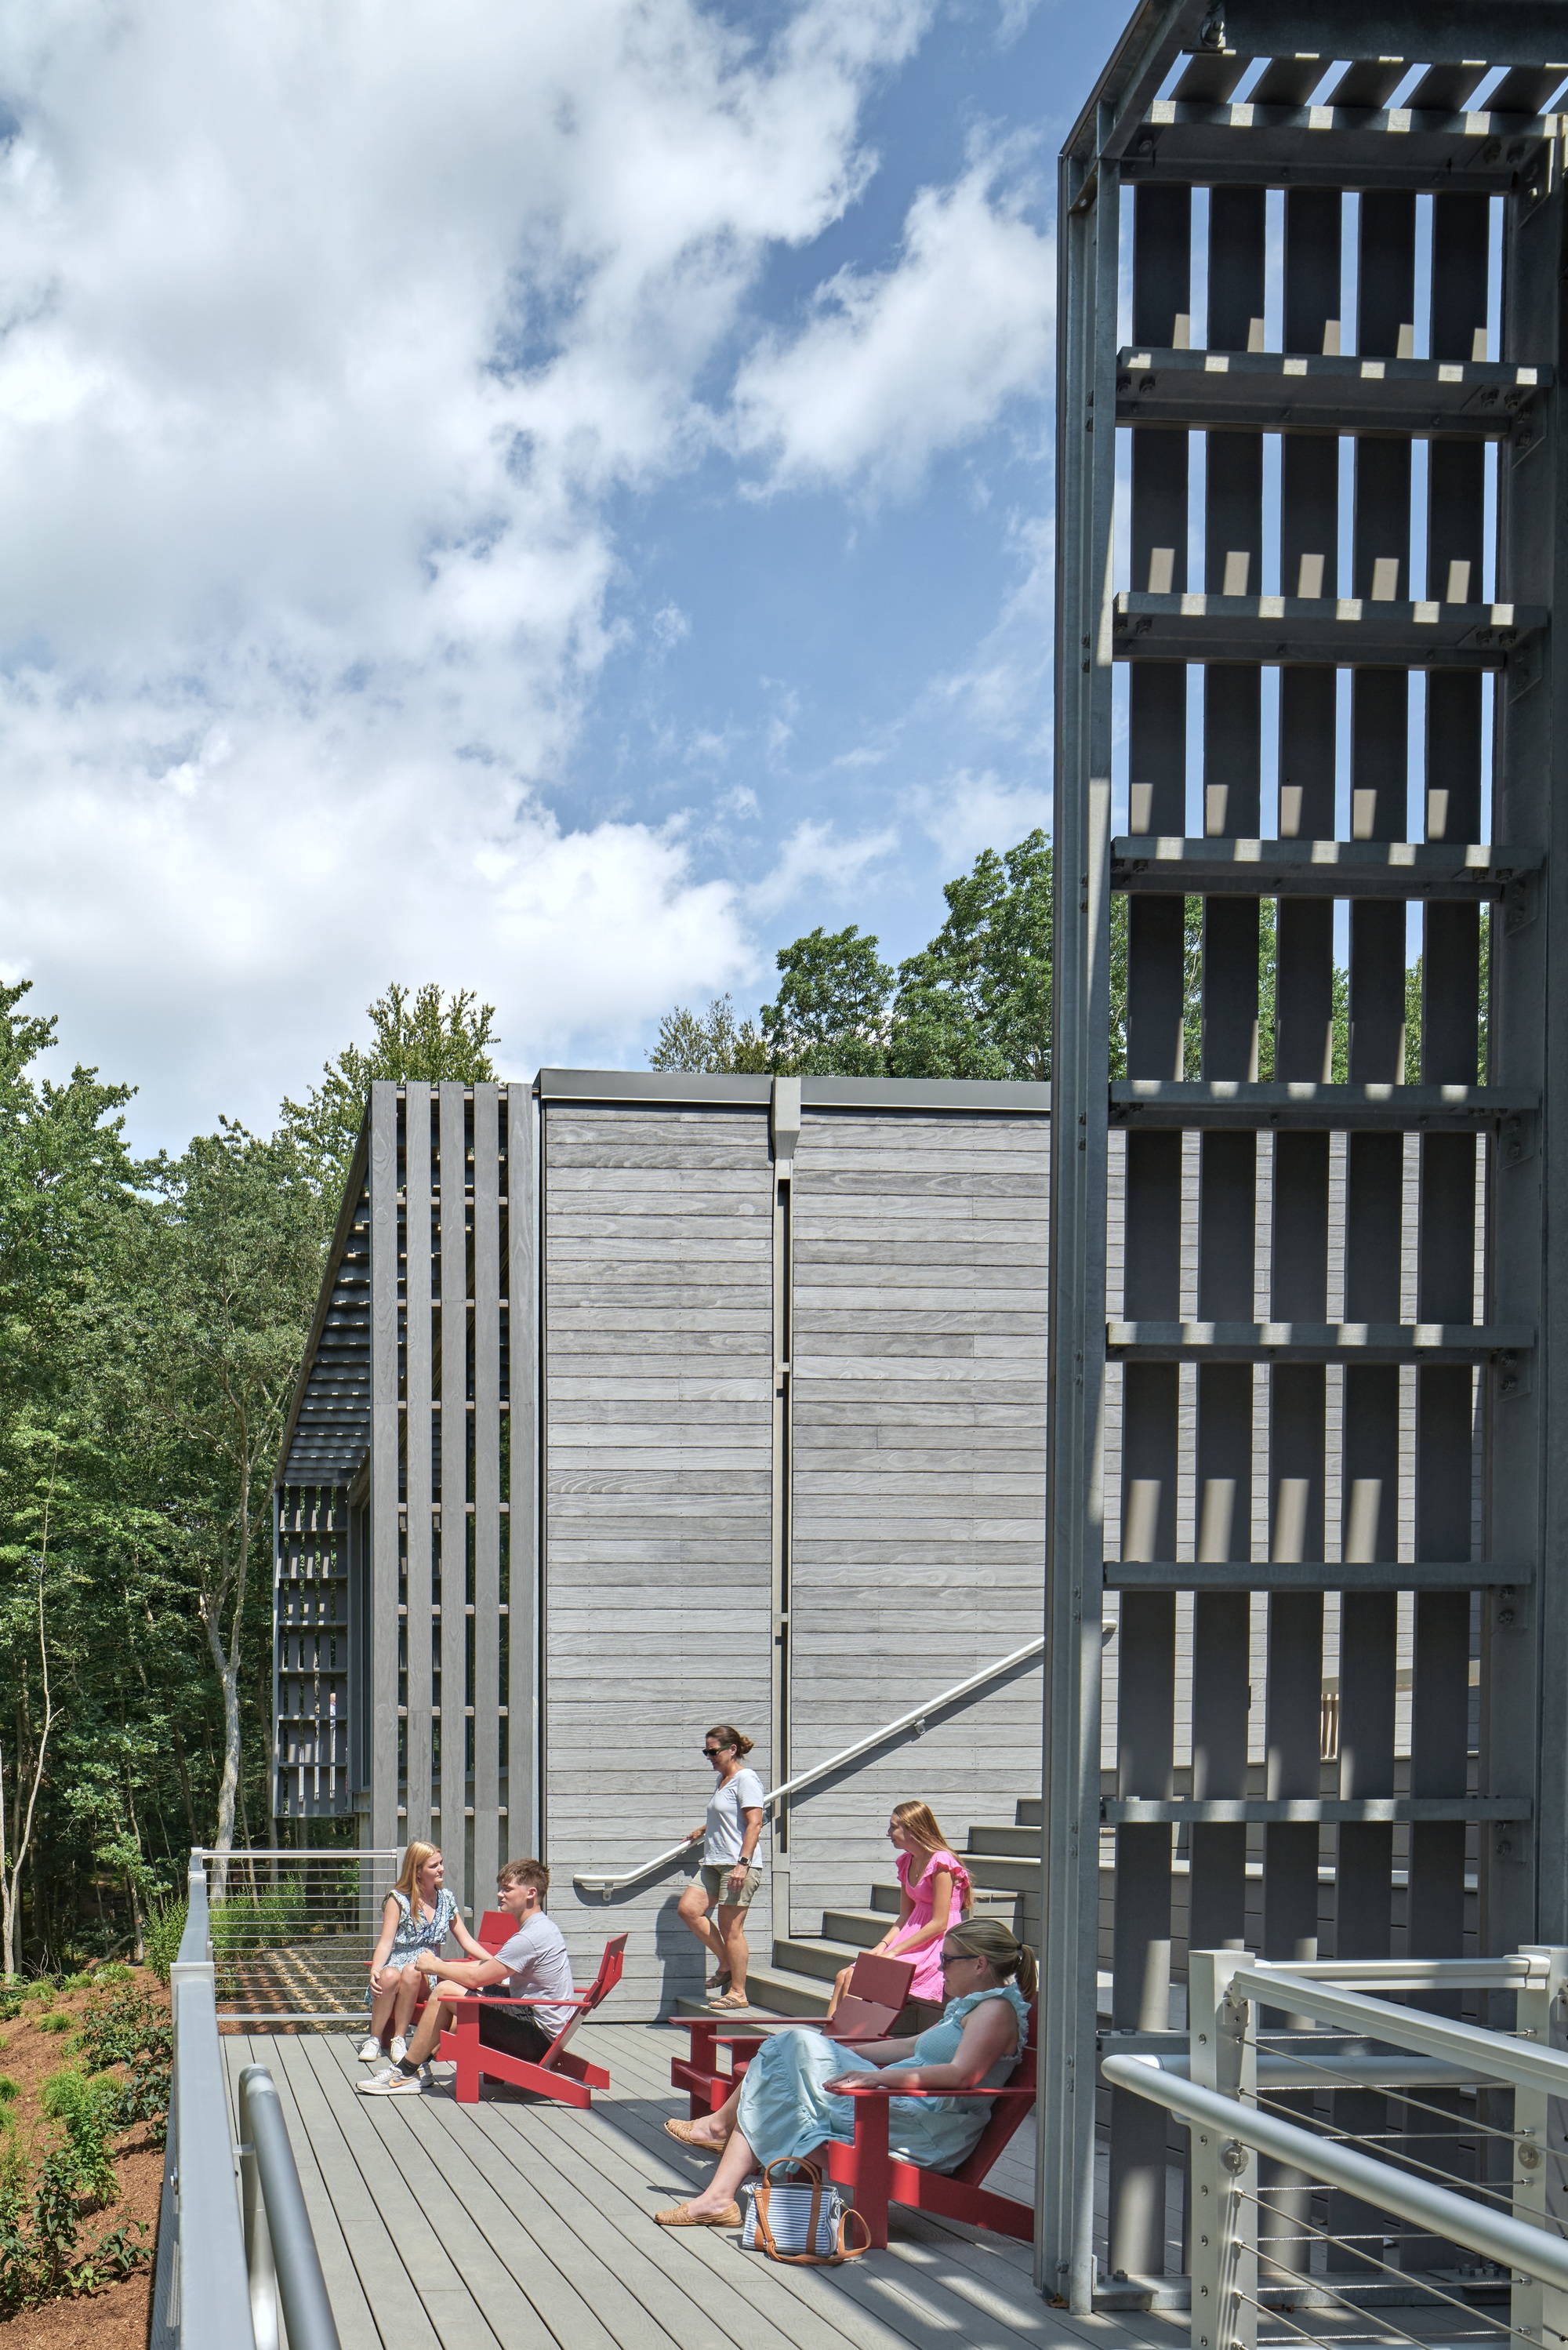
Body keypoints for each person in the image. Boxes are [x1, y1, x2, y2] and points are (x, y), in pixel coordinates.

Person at [653, 1916, 1035, 2227]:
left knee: (787, 2055)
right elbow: (909, 2046)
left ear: (980, 1964)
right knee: (790, 2051)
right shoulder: (972, 2006)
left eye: (948, 1960)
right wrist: (834, 2050)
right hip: (895, 2105)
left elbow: (962, 2076)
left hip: (917, 2128)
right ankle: (717, 2189)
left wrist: (877, 2077)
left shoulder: (995, 2012)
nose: (940, 1967)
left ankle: (719, 2154)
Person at [358, 1856, 576, 2095]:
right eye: (500, 1889)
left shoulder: (528, 1938)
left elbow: (477, 1977)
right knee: (458, 1993)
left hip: (534, 2036)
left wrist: (435, 1966)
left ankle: (407, 2071)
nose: (500, 1895)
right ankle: (416, 2068)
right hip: (541, 2028)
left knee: (445, 1990)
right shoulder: (543, 1927)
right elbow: (484, 1971)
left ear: (531, 1893)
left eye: (507, 1889)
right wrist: (447, 1970)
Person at [824, 1801, 972, 2035]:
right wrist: (882, 1946)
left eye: (893, 1827)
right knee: (844, 1975)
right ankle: (830, 2039)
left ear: (912, 1829)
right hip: (912, 1933)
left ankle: (846, 2041)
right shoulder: (907, 1861)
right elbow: (905, 1915)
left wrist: (894, 1952)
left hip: (937, 1939)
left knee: (857, 1977)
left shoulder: (942, 1863)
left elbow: (940, 1922)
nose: (888, 1833)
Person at [357, 1841, 493, 2064]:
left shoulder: (446, 1899)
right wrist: (376, 1969)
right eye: (434, 1866)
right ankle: (374, 2038)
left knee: (412, 1971)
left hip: (427, 1970)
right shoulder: (398, 1899)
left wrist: (493, 1961)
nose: (441, 1869)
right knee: (389, 1975)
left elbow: (466, 1940)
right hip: (398, 1962)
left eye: (441, 1863)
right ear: (418, 1871)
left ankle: (399, 2039)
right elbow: (386, 1942)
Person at [677, 1723, 765, 2013]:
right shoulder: (723, 1780)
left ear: (732, 1749)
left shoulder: (746, 1779)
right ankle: (726, 1962)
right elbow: (728, 1816)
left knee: (732, 1929)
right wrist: (703, 1830)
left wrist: (743, 1864)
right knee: (689, 1910)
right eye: (706, 1751)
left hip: (736, 1866)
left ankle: (738, 1992)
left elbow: (754, 1822)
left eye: (712, 1751)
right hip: (713, 1861)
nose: (709, 1757)